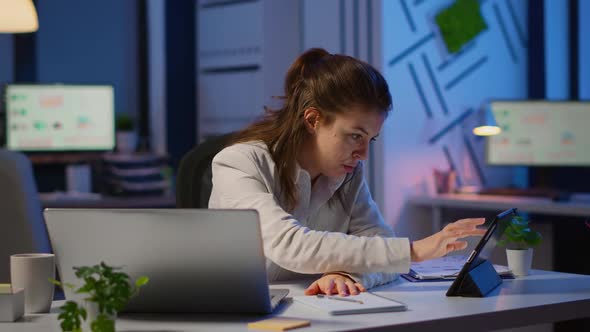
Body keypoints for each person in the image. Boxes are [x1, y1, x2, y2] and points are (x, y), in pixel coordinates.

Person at [209, 48, 485, 296]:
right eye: (355, 136)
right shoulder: (238, 163)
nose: (363, 154)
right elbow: (289, 245)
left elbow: (382, 246)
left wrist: (348, 273)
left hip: (315, 313)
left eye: (370, 139)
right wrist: (413, 251)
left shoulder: (348, 173)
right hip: (240, 316)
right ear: (313, 120)